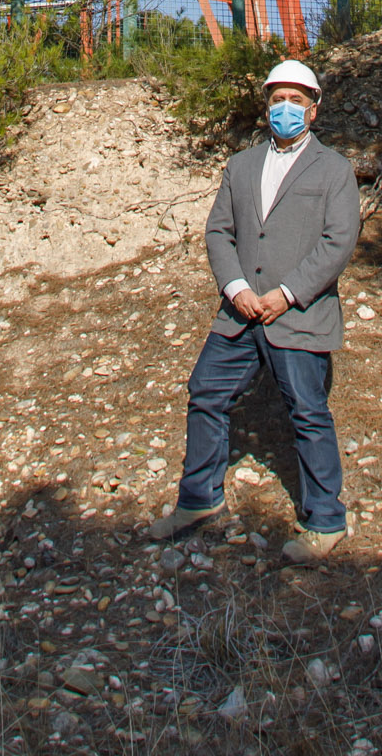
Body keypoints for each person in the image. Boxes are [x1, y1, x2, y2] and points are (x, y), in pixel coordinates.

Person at [144, 57, 364, 562]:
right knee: (205, 393)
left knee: (307, 412)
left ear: (314, 110)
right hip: (240, 313)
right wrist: (237, 286)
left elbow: (339, 241)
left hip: (297, 315)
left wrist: (287, 294)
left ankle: (326, 521)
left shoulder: (334, 168)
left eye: (295, 101)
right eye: (276, 99)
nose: (284, 108)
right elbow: (219, 231)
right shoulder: (240, 166)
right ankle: (199, 501)